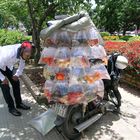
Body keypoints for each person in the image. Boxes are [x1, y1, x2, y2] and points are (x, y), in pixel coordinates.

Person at [0, 41, 34, 116]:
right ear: (22, 51)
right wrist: (2, 78)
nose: (28, 57)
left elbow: (22, 63)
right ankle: (11, 108)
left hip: (8, 65)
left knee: (16, 82)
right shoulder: (8, 54)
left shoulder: (24, 50)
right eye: (27, 55)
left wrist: (17, 74)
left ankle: (19, 103)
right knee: (5, 87)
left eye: (29, 55)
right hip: (0, 65)